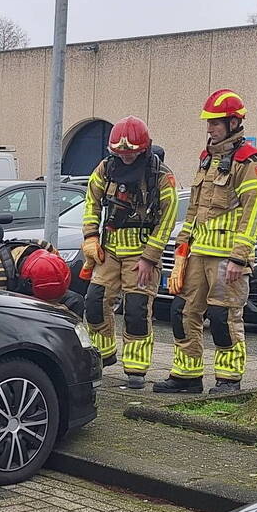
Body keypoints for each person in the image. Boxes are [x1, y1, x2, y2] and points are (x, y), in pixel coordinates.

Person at [153, 89, 257, 395]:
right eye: (209, 122)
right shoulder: (207, 159)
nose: (210, 128)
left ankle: (229, 380)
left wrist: (239, 257)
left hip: (227, 259)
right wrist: (182, 248)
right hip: (197, 254)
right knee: (182, 312)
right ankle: (187, 376)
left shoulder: (248, 162)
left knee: (223, 318)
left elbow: (255, 212)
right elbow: (194, 209)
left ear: (233, 123)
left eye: (215, 122)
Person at [81, 116, 178, 389]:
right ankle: (102, 355)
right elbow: (92, 201)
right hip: (109, 249)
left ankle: (136, 370)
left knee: (136, 310)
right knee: (95, 302)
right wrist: (90, 237)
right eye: (120, 152)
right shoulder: (106, 168)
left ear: (143, 149)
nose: (125, 156)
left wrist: (149, 257)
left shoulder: (160, 175)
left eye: (130, 152)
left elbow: (168, 218)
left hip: (141, 253)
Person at [0, 239, 82, 317]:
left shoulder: (44, 246)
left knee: (75, 300)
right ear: (28, 283)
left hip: (36, 293)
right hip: (5, 305)